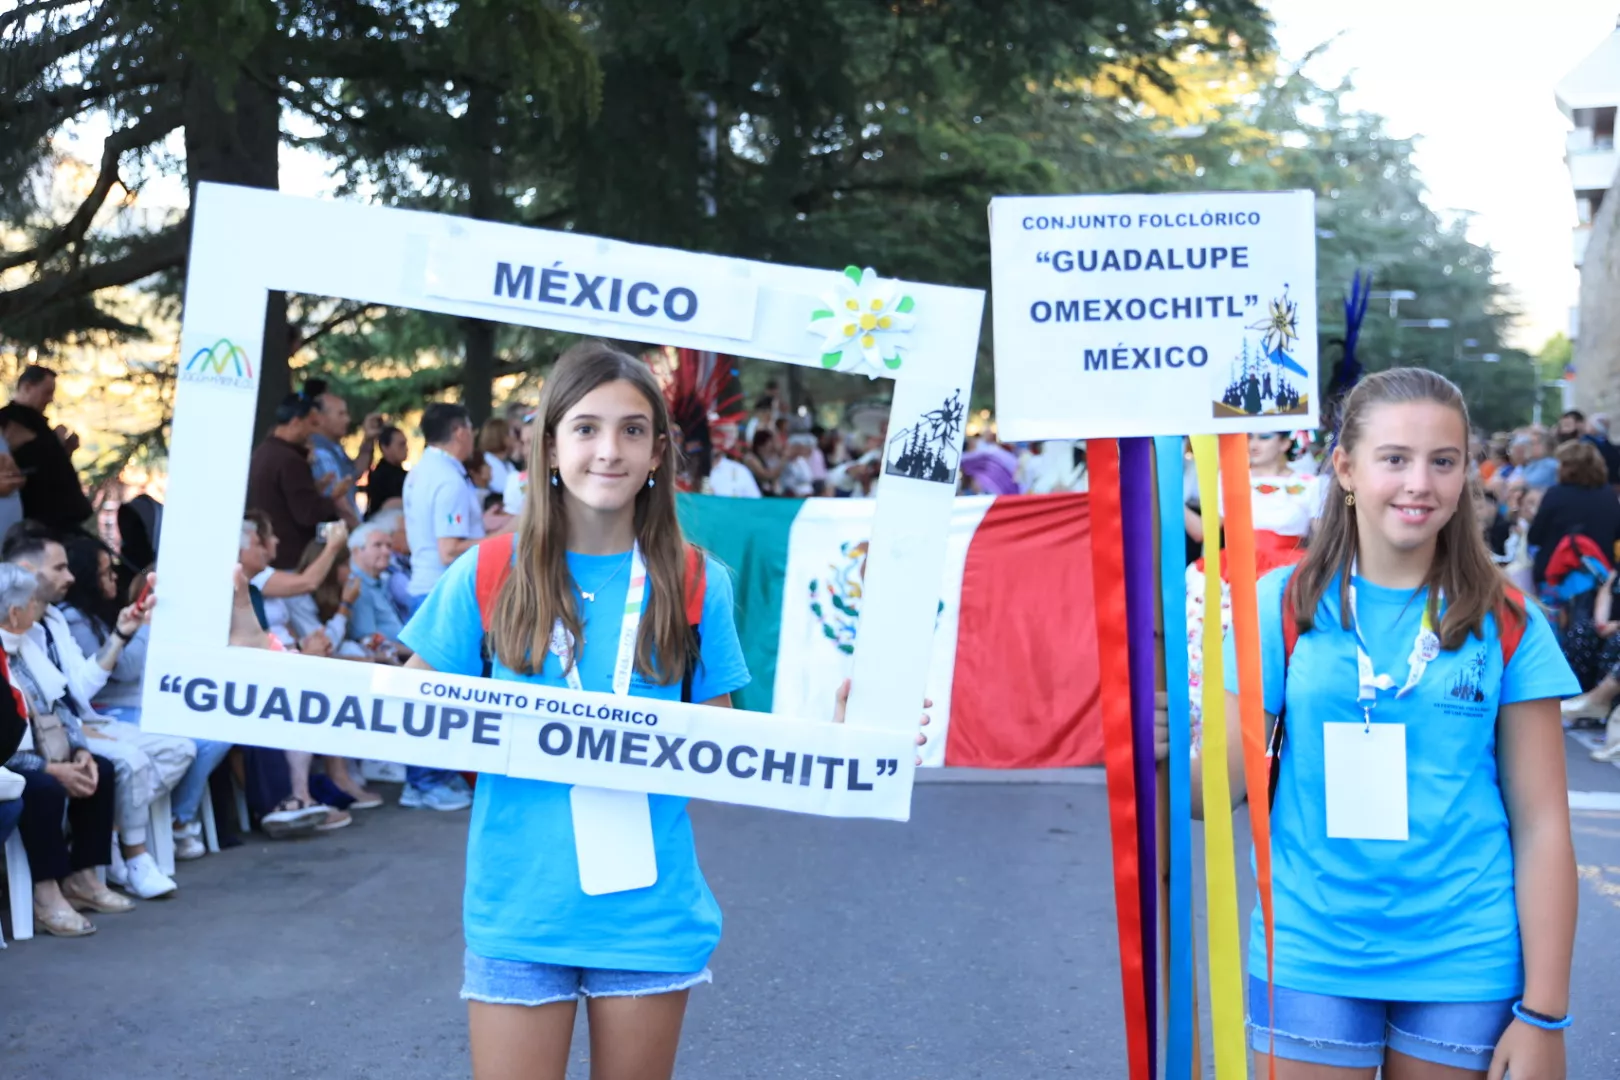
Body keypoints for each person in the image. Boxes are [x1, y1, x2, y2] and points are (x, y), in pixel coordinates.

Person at [398, 341, 925, 1080]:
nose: (609, 450)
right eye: (585, 428)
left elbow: (730, 750)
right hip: (518, 911)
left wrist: (843, 745)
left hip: (648, 917)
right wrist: (252, 653)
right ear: (549, 445)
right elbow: (392, 713)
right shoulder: (487, 572)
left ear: (658, 453)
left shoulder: (696, 582)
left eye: (633, 429)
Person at [1177, 368, 1577, 1078]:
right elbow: (1214, 798)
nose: (1419, 482)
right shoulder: (1280, 605)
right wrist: (1179, 743)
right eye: (1395, 458)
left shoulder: (1509, 622)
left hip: (1467, 959)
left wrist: (1544, 1012)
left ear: (1465, 477)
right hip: (1311, 950)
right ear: (1346, 469)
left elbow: (1543, 823)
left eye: (1443, 461)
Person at [5, 524, 190, 899]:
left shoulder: (52, 620)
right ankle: (131, 856)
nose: (70, 576)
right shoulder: (16, 630)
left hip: (72, 727)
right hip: (36, 745)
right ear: (26, 571)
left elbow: (73, 694)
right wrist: (56, 760)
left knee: (175, 748)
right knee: (121, 766)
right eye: (59, 568)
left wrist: (121, 635)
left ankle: (114, 840)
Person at [60, 541, 229, 861]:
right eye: (105, 572)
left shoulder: (96, 614)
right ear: (87, 578)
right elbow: (123, 670)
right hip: (110, 708)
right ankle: (132, 830)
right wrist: (145, 627)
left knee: (215, 735)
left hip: (147, 701)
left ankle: (165, 820)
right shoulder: (72, 619)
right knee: (189, 744)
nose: (114, 577)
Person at [2, 564, 126, 936]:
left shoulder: (29, 645)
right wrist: (50, 768)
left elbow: (61, 704)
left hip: (51, 751)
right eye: (35, 602)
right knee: (42, 789)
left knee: (100, 769)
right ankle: (46, 894)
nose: (41, 608)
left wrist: (79, 751)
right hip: (14, 762)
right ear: (14, 612)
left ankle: (84, 879)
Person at [401, 402, 485, 811]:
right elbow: (450, 548)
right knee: (437, 693)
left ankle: (431, 777)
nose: (473, 436)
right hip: (441, 592)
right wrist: (506, 539)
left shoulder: (422, 471)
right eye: (470, 428)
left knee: (435, 690)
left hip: (427, 586)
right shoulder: (448, 478)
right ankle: (422, 782)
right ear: (458, 431)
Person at [248, 390, 341, 569]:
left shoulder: (264, 452)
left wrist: (315, 489)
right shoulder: (290, 460)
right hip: (291, 558)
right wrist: (333, 498)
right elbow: (307, 514)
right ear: (296, 422)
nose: (314, 432)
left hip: (272, 553)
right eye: (312, 424)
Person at [0, 365, 91, 531]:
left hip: (63, 518)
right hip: (40, 522)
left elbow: (43, 464)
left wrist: (64, 450)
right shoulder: (8, 420)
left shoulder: (37, 422)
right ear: (27, 387)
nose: (50, 399)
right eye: (47, 392)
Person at [1526, 439, 1620, 588]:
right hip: (1600, 575)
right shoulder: (1609, 495)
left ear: (1570, 468)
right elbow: (1616, 533)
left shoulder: (1556, 494)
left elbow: (1535, 536)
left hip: (1557, 576)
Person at [307, 379, 382, 529]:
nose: (347, 420)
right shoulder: (321, 452)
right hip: (339, 533)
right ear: (319, 418)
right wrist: (360, 532)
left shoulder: (333, 448)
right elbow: (339, 501)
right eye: (341, 414)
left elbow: (356, 473)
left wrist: (368, 440)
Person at [364, 425, 409, 519]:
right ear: (385, 447)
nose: (406, 448)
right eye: (401, 444)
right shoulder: (379, 476)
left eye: (405, 444)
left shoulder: (405, 475)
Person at [705, 423, 760, 498]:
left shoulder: (740, 472)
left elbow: (756, 505)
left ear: (725, 439)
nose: (711, 440)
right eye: (705, 435)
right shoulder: (688, 471)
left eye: (717, 435)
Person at [479, 417, 520, 499]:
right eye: (512, 433)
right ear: (503, 437)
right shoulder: (486, 462)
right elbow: (504, 488)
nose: (515, 438)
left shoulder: (507, 464)